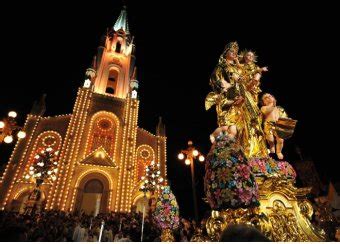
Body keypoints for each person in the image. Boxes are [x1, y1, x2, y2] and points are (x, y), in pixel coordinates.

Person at [261, 93, 289, 159]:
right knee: (270, 139)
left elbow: (283, 116)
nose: (268, 98)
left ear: (274, 98)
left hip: (278, 125)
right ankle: (271, 145)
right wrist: (272, 105)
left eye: (270, 96)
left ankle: (279, 151)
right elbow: (267, 111)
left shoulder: (279, 108)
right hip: (268, 124)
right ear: (264, 102)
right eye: (266, 98)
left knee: (281, 140)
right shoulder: (264, 107)